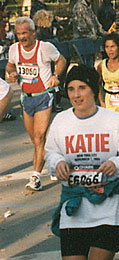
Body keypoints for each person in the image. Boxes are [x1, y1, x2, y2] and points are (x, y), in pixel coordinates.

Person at [45, 64, 119, 260]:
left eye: (82, 88)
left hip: (110, 207)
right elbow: (51, 152)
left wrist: (116, 163)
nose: (76, 95)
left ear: (94, 91)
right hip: (75, 207)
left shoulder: (112, 119)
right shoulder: (61, 121)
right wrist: (58, 162)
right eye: (71, 89)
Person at [6, 17, 67, 191]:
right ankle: (54, 160)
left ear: (33, 32)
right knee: (36, 140)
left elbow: (61, 60)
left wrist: (56, 76)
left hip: (43, 96)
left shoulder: (45, 48)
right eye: (18, 34)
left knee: (40, 137)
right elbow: (10, 66)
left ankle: (36, 177)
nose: (22, 37)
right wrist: (11, 73)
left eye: (25, 33)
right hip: (27, 98)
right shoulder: (14, 49)